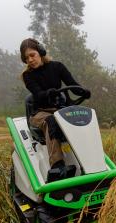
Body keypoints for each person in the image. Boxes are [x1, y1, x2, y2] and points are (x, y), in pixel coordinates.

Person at [20, 38, 91, 182]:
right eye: (26, 58)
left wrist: (84, 91)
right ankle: (58, 167)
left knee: (82, 118)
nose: (30, 60)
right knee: (52, 121)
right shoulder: (28, 76)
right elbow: (38, 94)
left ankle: (90, 160)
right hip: (40, 112)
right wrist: (49, 93)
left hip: (61, 110)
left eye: (32, 55)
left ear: (40, 52)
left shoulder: (57, 67)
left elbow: (73, 85)